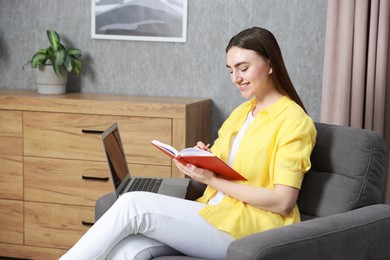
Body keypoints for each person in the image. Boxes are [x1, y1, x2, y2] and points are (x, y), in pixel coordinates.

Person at [60, 27, 316, 260]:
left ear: (270, 64)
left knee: (133, 204)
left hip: (250, 229)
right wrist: (201, 159)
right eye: (230, 70)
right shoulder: (242, 112)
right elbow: (227, 165)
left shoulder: (294, 121)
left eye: (243, 68)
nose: (235, 78)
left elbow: (282, 201)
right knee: (126, 250)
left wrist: (212, 180)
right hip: (212, 212)